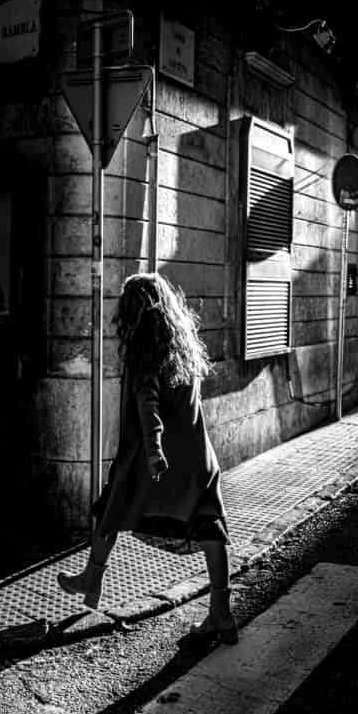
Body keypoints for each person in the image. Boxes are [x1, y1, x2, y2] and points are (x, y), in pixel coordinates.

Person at [57, 272, 237, 645]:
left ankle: (93, 576)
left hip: (155, 458)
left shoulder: (146, 340)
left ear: (133, 307)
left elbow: (146, 398)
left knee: (114, 505)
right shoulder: (182, 337)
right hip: (197, 455)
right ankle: (222, 612)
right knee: (209, 528)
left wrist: (153, 448)